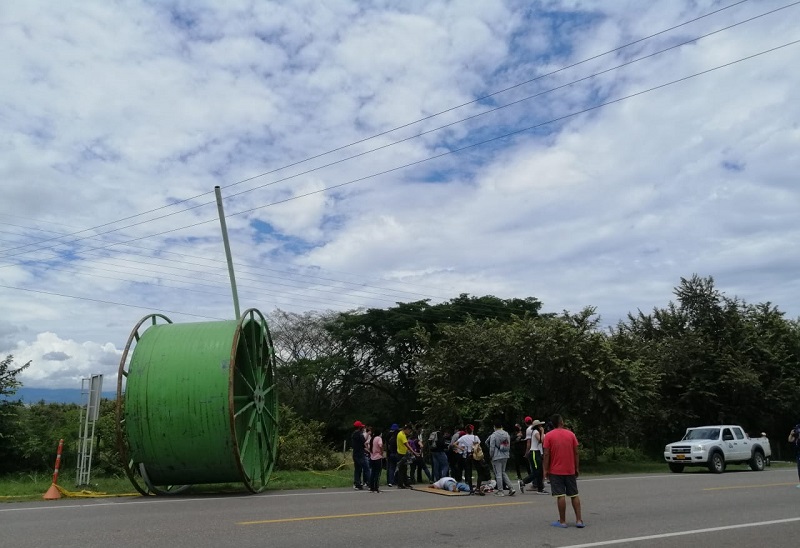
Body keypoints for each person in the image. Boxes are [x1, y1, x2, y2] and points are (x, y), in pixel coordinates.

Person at [543, 414, 584, 529]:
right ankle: (579, 520)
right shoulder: (571, 434)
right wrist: (576, 467)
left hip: (555, 471)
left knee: (560, 495)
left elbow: (546, 454)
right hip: (570, 469)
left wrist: (545, 469)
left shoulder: (549, 436)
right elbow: (576, 452)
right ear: (561, 422)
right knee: (574, 494)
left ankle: (562, 521)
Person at [487, 421, 515, 496]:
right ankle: (511, 488)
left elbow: (492, 447)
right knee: (503, 472)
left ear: (494, 427)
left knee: (498, 474)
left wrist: (491, 455)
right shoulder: (506, 434)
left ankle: (500, 491)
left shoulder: (494, 435)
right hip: (505, 455)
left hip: (496, 456)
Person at [520, 419, 548, 494]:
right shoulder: (535, 432)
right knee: (537, 471)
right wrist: (542, 432)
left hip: (537, 452)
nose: (541, 427)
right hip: (534, 452)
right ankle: (524, 481)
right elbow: (541, 440)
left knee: (540, 471)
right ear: (537, 426)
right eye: (540, 425)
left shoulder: (535, 432)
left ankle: (540, 488)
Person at [455, 424, 480, 492]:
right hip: (474, 455)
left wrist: (462, 449)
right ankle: (477, 487)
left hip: (466, 455)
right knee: (477, 470)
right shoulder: (475, 437)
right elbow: (478, 445)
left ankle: (470, 486)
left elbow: (455, 444)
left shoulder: (463, 437)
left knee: (468, 471)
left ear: (466, 430)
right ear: (472, 430)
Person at [396, 424, 419, 489]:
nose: (409, 432)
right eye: (409, 431)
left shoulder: (400, 433)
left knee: (404, 469)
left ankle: (405, 483)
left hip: (403, 453)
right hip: (401, 454)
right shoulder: (402, 435)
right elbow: (407, 445)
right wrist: (414, 452)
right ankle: (400, 484)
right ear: (407, 429)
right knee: (402, 470)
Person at [351, 421, 370, 490]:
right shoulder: (359, 434)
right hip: (360, 454)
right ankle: (370, 483)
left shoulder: (353, 434)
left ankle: (357, 483)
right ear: (359, 427)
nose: (363, 428)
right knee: (367, 468)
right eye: (362, 427)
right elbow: (364, 442)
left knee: (357, 469)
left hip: (355, 454)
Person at [367, 426, 384, 493]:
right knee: (377, 473)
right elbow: (380, 445)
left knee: (373, 472)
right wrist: (381, 452)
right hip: (378, 457)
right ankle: (376, 487)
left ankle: (371, 487)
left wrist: (369, 450)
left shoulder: (372, 438)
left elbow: (366, 443)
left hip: (372, 457)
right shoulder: (379, 438)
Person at [789, 423, 800, 488]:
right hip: (798, 454)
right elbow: (790, 440)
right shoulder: (796, 438)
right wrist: (791, 434)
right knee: (799, 469)